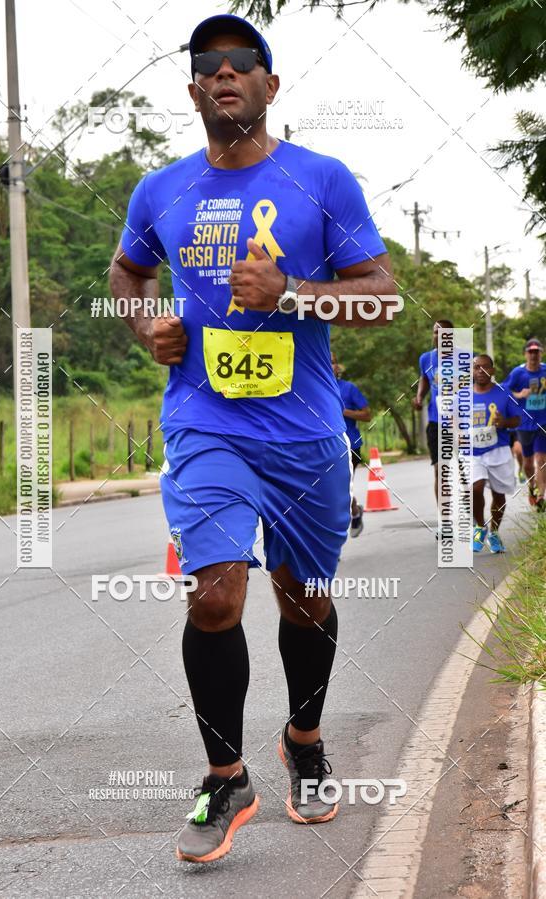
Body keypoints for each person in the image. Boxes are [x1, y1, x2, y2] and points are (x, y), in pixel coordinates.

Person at [109, 13, 397, 864]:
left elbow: (381, 295)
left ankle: (304, 739)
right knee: (216, 594)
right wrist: (144, 322)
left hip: (305, 432)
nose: (226, 72)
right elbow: (129, 270)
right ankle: (226, 773)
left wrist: (293, 294)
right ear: (193, 89)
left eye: (245, 62)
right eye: (209, 63)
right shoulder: (159, 190)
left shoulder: (324, 180)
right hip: (206, 421)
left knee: (304, 597)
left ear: (271, 86)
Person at [472, 354, 521, 552]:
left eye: (485, 367)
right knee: (475, 488)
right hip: (473, 452)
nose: (480, 371)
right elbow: (453, 421)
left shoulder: (504, 392)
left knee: (498, 494)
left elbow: (517, 419)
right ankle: (479, 526)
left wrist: (504, 423)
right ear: (472, 371)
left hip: (499, 449)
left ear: (492, 370)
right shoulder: (463, 395)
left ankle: (494, 532)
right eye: (476, 367)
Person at [413, 319, 454, 505]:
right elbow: (424, 379)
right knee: (440, 470)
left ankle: (470, 518)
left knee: (465, 472)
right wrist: (420, 396)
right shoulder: (426, 359)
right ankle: (444, 519)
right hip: (436, 421)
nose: (437, 336)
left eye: (442, 332)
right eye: (435, 332)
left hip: (461, 422)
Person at [503, 338, 546, 511]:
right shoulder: (518, 373)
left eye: (537, 352)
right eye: (531, 352)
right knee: (528, 462)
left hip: (543, 423)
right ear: (525, 354)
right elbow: (504, 391)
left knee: (541, 459)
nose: (534, 355)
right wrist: (520, 395)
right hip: (524, 424)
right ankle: (532, 486)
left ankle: (541, 497)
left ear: (541, 353)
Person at [331, 353, 371, 537]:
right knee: (330, 491)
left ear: (338, 367)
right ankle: (354, 512)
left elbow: (366, 415)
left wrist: (344, 411)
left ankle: (353, 513)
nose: (329, 365)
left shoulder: (349, 388)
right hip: (323, 446)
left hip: (350, 444)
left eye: (332, 362)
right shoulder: (314, 390)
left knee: (341, 488)